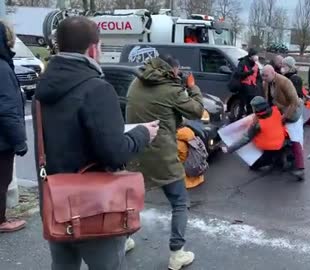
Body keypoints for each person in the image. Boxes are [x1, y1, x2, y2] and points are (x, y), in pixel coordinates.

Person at [33, 17, 158, 270]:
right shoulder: (97, 89)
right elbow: (115, 154)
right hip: (94, 206)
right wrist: (142, 134)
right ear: (93, 49)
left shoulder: (42, 88)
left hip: (54, 201)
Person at [126, 55, 204, 270]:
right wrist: (192, 87)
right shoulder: (171, 89)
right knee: (179, 202)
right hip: (162, 156)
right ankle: (177, 253)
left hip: (134, 150)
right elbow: (197, 111)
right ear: (173, 70)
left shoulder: (136, 82)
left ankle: (123, 240)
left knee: (131, 200)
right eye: (178, 73)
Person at [0, 21, 28, 233]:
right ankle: (1, 221)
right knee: (2, 180)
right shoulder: (2, 68)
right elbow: (7, 108)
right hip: (2, 140)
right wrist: (19, 141)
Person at [223, 96, 288, 171]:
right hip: (282, 142)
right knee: (276, 153)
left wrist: (230, 149)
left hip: (270, 147)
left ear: (256, 108)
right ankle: (279, 157)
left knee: (255, 165)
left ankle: (271, 160)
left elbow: (245, 139)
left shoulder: (257, 124)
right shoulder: (275, 110)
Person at [262, 65, 304, 179]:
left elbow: (294, 102)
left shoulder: (285, 82)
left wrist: (285, 117)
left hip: (292, 113)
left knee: (295, 139)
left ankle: (300, 169)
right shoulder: (266, 83)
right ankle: (276, 160)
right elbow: (268, 100)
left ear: (272, 73)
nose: (263, 78)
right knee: (274, 136)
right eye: (262, 76)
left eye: (265, 75)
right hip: (278, 113)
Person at [236, 48, 261, 117]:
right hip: (243, 90)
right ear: (250, 56)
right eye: (255, 55)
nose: (257, 57)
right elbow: (239, 74)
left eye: (257, 55)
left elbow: (258, 77)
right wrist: (250, 72)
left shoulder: (256, 65)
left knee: (250, 109)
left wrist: (258, 86)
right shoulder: (243, 63)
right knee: (242, 109)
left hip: (252, 90)